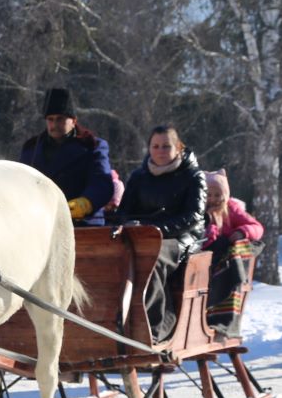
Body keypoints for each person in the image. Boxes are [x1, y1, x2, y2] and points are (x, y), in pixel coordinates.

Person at [112, 125, 207, 341]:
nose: (160, 151)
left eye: (166, 146)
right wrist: (128, 224)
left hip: (182, 238)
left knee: (151, 258)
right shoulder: (138, 177)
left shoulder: (193, 176)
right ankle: (111, 323)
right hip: (142, 235)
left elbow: (194, 216)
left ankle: (155, 328)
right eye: (155, 146)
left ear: (179, 148)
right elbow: (123, 212)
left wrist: (156, 231)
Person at [17, 87, 115, 226]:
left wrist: (85, 203)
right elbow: (21, 184)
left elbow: (102, 183)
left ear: (74, 121)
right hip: (42, 224)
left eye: (60, 119)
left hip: (83, 224)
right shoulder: (31, 150)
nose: (54, 124)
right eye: (50, 119)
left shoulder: (92, 146)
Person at [201, 169, 264, 338]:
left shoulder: (231, 210)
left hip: (220, 257)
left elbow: (256, 227)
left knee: (223, 245)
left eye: (217, 195)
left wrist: (243, 232)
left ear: (225, 196)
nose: (213, 199)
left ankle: (221, 318)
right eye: (209, 195)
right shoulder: (198, 211)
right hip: (203, 256)